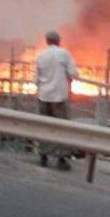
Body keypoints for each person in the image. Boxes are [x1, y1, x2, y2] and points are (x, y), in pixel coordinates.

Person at [34, 30, 79, 171]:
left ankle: (43, 156)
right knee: (62, 127)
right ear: (58, 41)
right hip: (59, 97)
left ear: (47, 41)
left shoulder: (40, 56)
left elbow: (35, 79)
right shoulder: (64, 54)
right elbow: (74, 74)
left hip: (44, 96)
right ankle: (61, 158)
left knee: (44, 126)